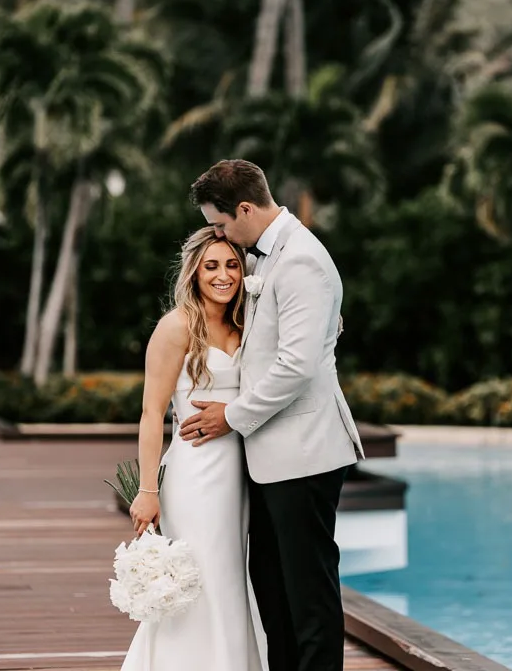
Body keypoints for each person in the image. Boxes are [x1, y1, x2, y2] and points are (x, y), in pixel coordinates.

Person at [179, 159, 364, 671]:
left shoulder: (301, 258)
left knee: (308, 593)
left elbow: (296, 365)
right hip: (271, 454)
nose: (219, 235)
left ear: (244, 208)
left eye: (220, 224)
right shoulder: (268, 255)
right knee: (272, 584)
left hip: (303, 452)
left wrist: (231, 416)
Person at [124, 226, 267, 671]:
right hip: (194, 475)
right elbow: (151, 415)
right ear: (194, 272)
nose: (223, 275)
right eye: (212, 266)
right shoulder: (176, 327)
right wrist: (148, 490)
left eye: (231, 265)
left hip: (240, 472)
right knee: (198, 576)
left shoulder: (248, 322)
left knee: (230, 578)